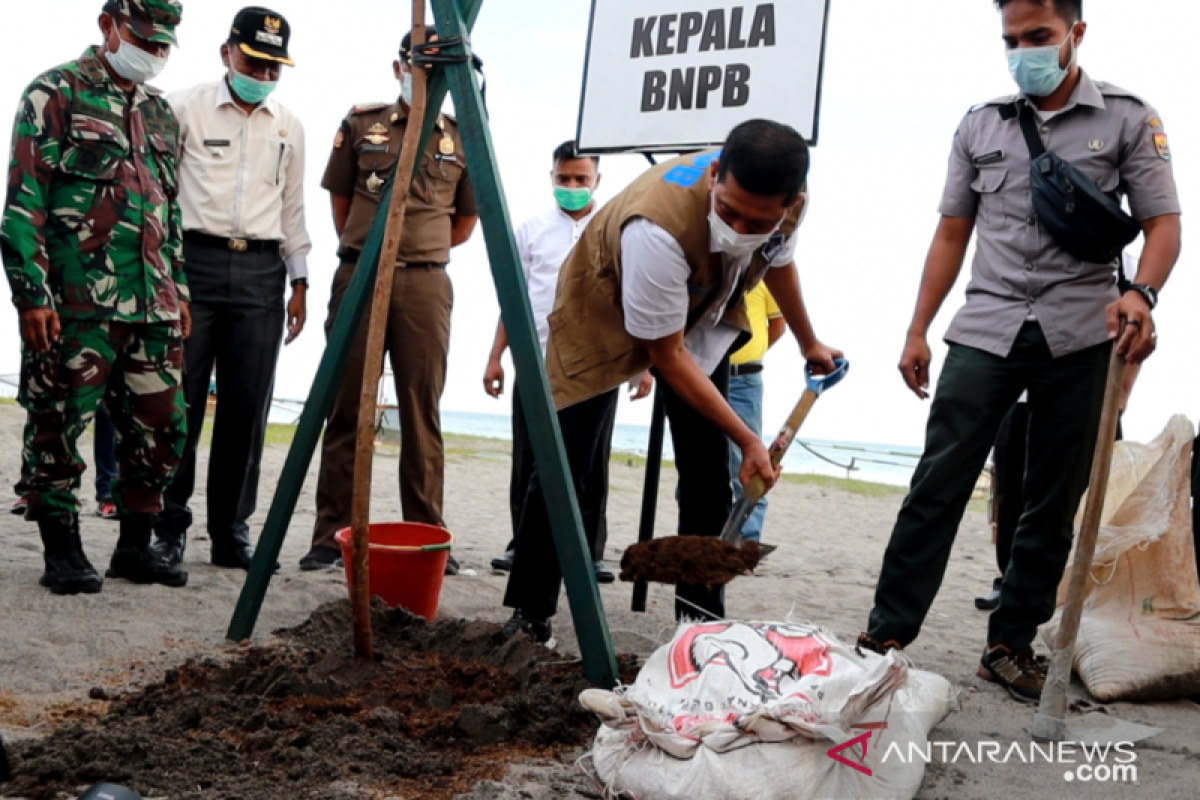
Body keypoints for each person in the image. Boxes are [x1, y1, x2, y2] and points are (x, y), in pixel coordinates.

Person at [858, 0, 1181, 704]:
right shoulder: (981, 123)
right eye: (1011, 40)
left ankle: (1009, 644)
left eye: (1038, 37)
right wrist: (917, 329)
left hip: (1083, 332)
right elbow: (951, 233)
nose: (1022, 51)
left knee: (1051, 499)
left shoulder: (1128, 117)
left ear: (1076, 34)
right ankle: (885, 636)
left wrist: (1144, 295)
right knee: (938, 481)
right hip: (986, 328)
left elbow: (1163, 226)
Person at [500, 120, 842, 643]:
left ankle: (699, 622)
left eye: (757, 221)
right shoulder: (655, 229)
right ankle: (529, 615)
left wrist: (808, 342)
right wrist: (749, 438)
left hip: (700, 305)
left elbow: (778, 263)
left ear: (790, 203)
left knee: (708, 473)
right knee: (563, 463)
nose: (739, 229)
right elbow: (667, 355)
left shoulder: (789, 205)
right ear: (713, 177)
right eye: (727, 211)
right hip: (600, 306)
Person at [1, 0, 191, 594]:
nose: (154, 53)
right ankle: (63, 550)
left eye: (163, 44)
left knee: (163, 430)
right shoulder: (55, 94)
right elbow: (24, 203)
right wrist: (31, 295)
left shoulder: (161, 115)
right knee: (58, 425)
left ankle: (135, 547)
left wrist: (179, 288)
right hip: (76, 303)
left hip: (153, 304)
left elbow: (171, 210)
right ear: (107, 24)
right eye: (144, 38)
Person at [299, 28, 478, 574]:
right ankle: (331, 537)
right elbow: (341, 203)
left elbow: (464, 223)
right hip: (359, 274)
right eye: (414, 64)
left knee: (421, 412)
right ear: (398, 64)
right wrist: (371, 252)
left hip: (425, 283)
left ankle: (426, 532)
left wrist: (412, 251)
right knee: (348, 407)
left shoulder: (463, 133)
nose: (421, 75)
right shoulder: (362, 124)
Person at [150, 7, 310, 571]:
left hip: (263, 274)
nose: (263, 76)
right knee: (180, 402)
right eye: (254, 62)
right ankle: (167, 525)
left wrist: (300, 281)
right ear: (227, 53)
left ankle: (230, 530)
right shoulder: (182, 108)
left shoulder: (290, 126)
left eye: (274, 68)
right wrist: (165, 272)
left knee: (247, 407)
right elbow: (160, 197)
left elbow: (293, 211)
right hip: (193, 264)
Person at [483, 141, 651, 583]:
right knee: (529, 456)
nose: (572, 187)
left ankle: (588, 550)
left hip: (598, 364)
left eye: (581, 179)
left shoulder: (616, 228)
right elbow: (512, 298)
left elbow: (636, 298)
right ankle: (522, 544)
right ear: (551, 177)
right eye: (564, 179)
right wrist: (495, 356)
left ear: (598, 180)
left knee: (591, 461)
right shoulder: (532, 230)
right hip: (535, 359)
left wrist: (643, 365)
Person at [976, 253, 1140, 611]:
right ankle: (1009, 582)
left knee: (1079, 497)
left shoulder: (1120, 261)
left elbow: (1135, 334)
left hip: (1084, 393)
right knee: (1010, 496)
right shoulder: (1021, 244)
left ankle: (1078, 588)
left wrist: (1122, 396)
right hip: (1017, 396)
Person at [727, 282, 787, 544]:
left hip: (744, 381)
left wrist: (750, 352)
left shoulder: (767, 278)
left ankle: (748, 543)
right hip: (702, 376)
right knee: (701, 461)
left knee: (748, 462)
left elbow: (777, 328)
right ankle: (707, 537)